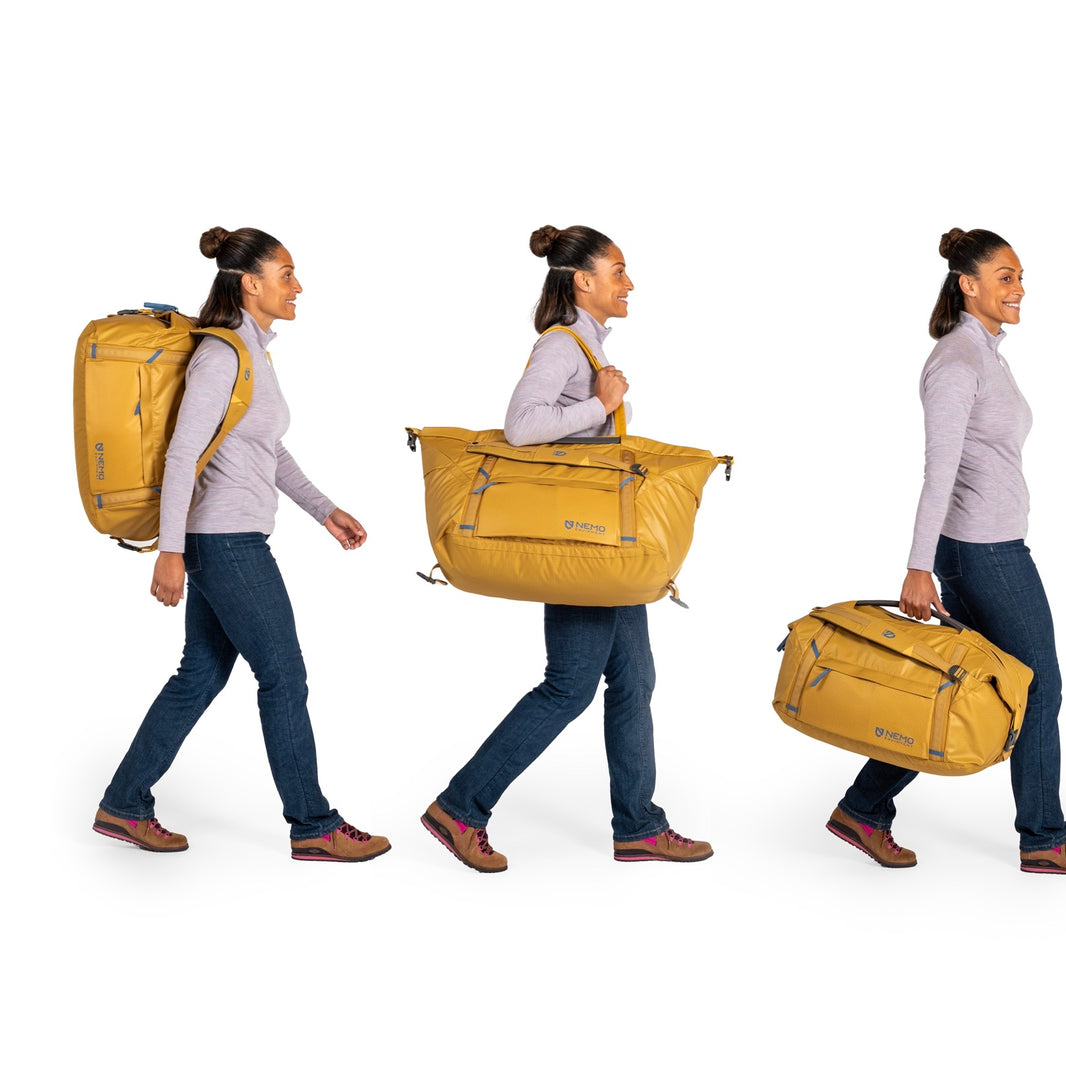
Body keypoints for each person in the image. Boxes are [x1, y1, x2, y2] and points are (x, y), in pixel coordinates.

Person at [826, 228, 1066, 876]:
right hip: (983, 552)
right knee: (1038, 685)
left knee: (958, 687)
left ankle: (862, 806)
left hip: (983, 546)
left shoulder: (984, 354)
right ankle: (1044, 835)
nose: (1020, 289)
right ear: (970, 284)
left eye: (1019, 277)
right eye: (1007, 277)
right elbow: (939, 470)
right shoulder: (957, 363)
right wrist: (917, 565)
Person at [92, 226, 389, 863]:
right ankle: (312, 824)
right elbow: (182, 455)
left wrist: (325, 510)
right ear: (250, 283)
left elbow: (264, 448)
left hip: (228, 536)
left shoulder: (252, 352)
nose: (298, 286)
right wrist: (169, 551)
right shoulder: (222, 355)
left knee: (200, 674)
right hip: (225, 541)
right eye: (286, 274)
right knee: (284, 677)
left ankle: (122, 804)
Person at [420, 224, 712, 873]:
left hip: (603, 548)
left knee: (634, 679)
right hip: (581, 548)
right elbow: (522, 427)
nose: (628, 282)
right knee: (569, 687)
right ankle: (461, 805)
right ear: (582, 279)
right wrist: (600, 404)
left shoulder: (585, 343)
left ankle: (638, 824)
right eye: (618, 270)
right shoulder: (561, 344)